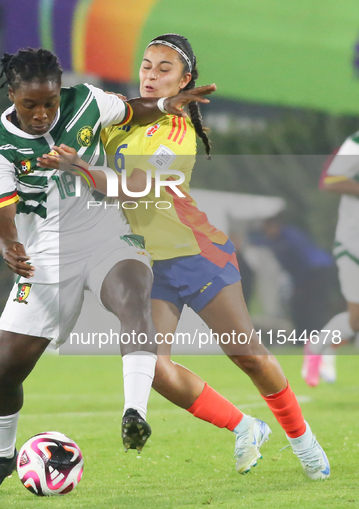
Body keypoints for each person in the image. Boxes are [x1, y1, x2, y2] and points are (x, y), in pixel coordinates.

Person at [38, 34, 329, 480]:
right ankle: (246, 427)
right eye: (147, 66)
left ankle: (303, 440)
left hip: (195, 254)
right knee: (151, 364)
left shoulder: (176, 131)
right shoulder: (123, 116)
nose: (151, 76)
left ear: (185, 80)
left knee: (247, 354)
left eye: (164, 70)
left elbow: (130, 185)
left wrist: (77, 166)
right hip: (145, 263)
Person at [0, 47, 216, 493]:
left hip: (106, 232)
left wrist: (163, 105)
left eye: (50, 102)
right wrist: (8, 246)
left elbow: (130, 110)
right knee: (4, 370)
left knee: (133, 300)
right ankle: (1, 457)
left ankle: (134, 412)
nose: (42, 113)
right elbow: (1, 217)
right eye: (31, 104)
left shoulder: (85, 101)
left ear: (60, 91)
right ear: (12, 95)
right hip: (45, 254)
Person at [303, 131, 359, 386]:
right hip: (353, 243)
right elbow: (332, 180)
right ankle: (317, 347)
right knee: (355, 320)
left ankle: (324, 349)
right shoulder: (356, 142)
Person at [257, 217, 336, 338]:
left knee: (313, 307)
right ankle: (302, 338)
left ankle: (316, 338)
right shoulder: (275, 240)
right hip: (303, 276)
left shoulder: (290, 237)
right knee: (299, 307)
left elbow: (303, 261)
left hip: (316, 272)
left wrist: (300, 285)